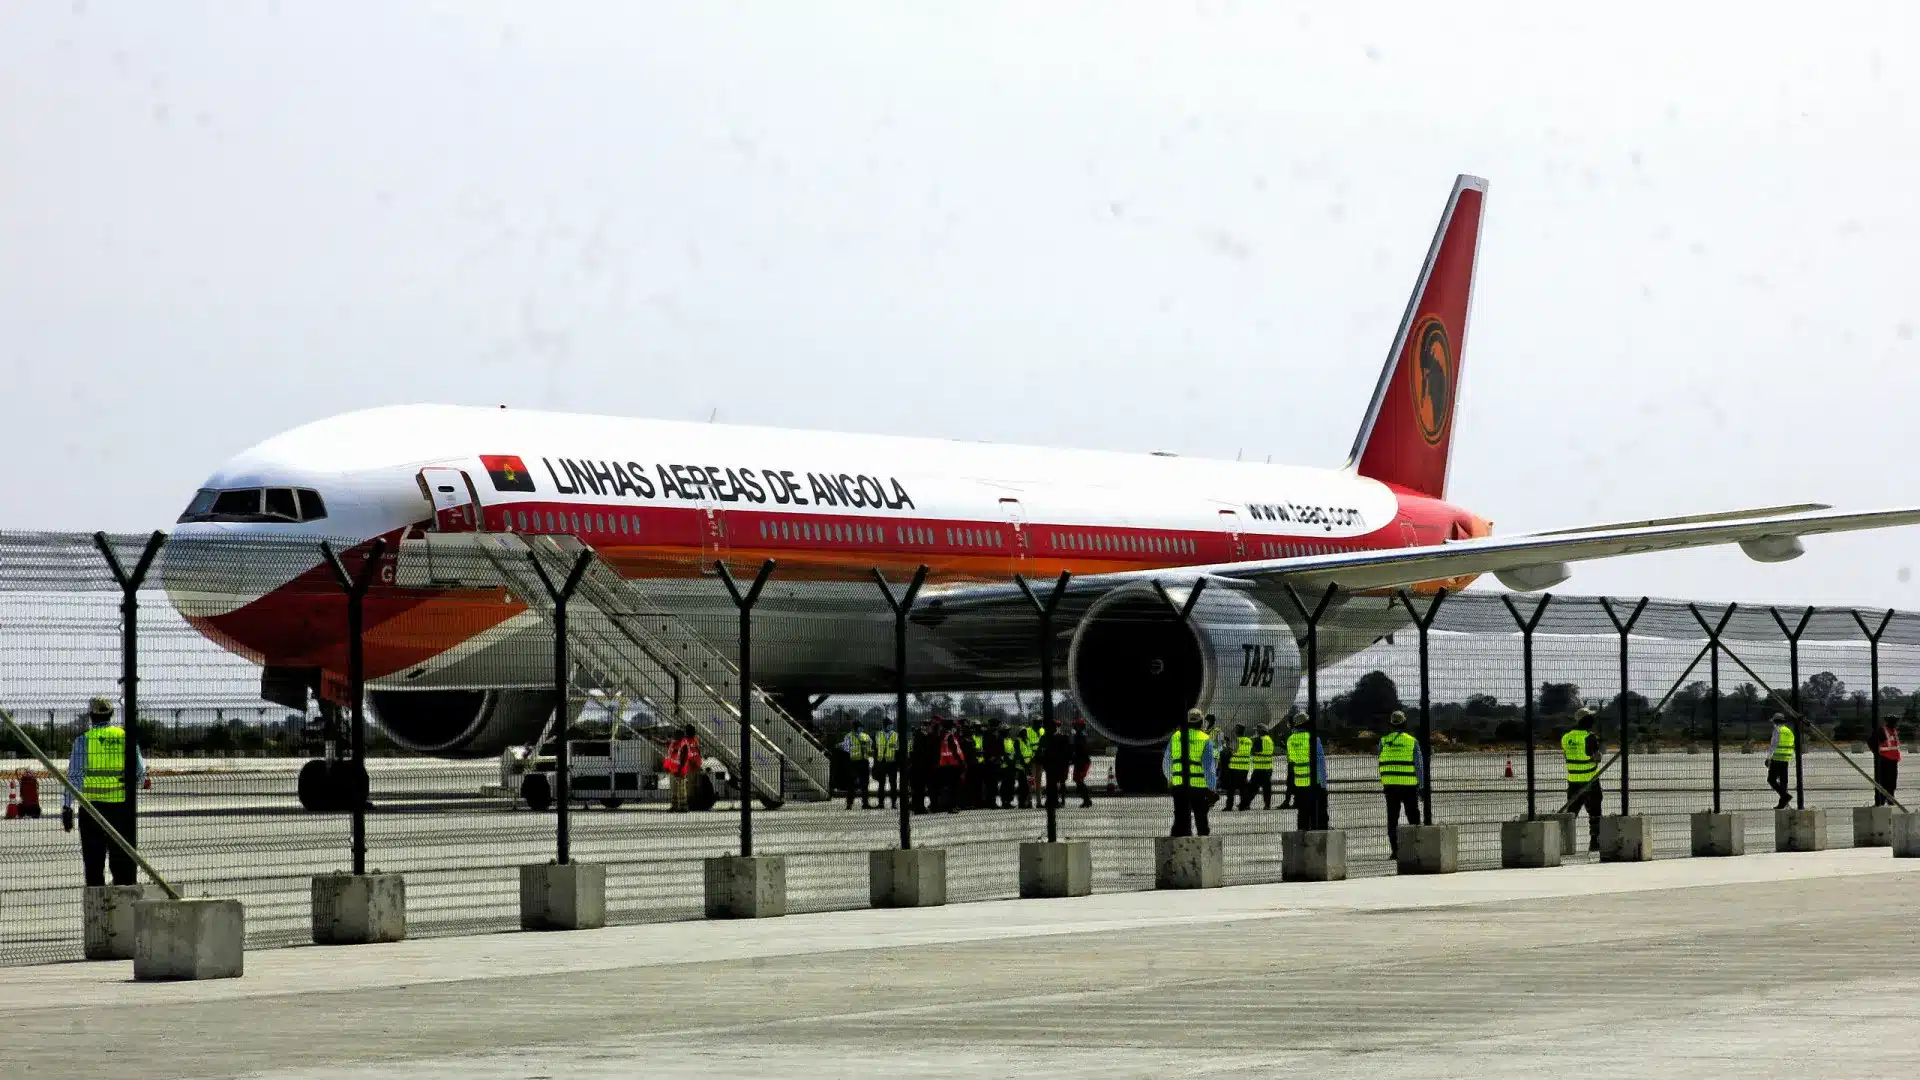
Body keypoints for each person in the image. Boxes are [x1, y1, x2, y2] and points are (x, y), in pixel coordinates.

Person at [62, 696, 146, 888]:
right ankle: (122, 907)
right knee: (122, 863)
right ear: (111, 714)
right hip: (121, 808)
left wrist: (67, 806)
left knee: (93, 865)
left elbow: (74, 777)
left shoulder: (83, 741)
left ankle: (97, 910)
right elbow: (140, 773)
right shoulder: (125, 737)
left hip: (92, 809)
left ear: (91, 715)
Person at [1163, 708, 1217, 837]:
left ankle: (1176, 850)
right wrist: (1212, 789)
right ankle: (1203, 850)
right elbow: (1208, 767)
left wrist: (1171, 779)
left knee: (1180, 820)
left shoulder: (1176, 736)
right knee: (1201, 820)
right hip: (1198, 787)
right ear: (1201, 722)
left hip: (1179, 786)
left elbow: (1167, 762)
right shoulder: (1205, 738)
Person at [1378, 710, 1425, 858]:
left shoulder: (1383, 741)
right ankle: (1416, 848)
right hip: (1409, 785)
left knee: (1392, 819)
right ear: (1405, 723)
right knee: (1413, 816)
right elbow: (1419, 766)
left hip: (1390, 786)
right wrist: (1422, 786)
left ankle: (1395, 851)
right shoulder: (1411, 741)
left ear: (1390, 724)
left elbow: (1380, 760)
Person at [1562, 707, 1602, 851]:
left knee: (1572, 813)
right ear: (1586, 720)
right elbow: (1597, 758)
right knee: (1595, 812)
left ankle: (1563, 843)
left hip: (1573, 780)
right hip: (1590, 780)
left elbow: (1567, 756)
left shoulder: (1566, 737)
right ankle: (1595, 841)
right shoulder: (1589, 737)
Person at [1286, 713, 1328, 831]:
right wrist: (1323, 784)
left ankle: (1302, 835)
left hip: (1299, 781)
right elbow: (1320, 762)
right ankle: (1319, 834)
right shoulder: (1313, 738)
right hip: (1314, 781)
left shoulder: (1290, 740)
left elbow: (1291, 761)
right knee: (1318, 812)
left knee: (1302, 812)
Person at [662, 724, 703, 812]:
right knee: (677, 787)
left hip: (681, 769)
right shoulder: (687, 741)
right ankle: (677, 805)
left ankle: (683, 806)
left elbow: (684, 757)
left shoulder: (683, 743)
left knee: (681, 787)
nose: (674, 736)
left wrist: (680, 768)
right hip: (677, 768)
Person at [1867, 715, 1902, 806]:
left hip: (1893, 760)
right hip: (1884, 760)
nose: (1896, 724)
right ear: (1889, 722)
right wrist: (1877, 754)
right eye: (1894, 722)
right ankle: (1880, 801)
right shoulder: (1882, 730)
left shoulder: (1893, 731)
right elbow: (1871, 742)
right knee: (1883, 782)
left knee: (1892, 782)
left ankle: (1890, 799)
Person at [1241, 724, 1276, 811]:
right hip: (1268, 768)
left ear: (1262, 730)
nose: (1256, 731)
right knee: (1266, 788)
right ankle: (1267, 805)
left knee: (1252, 788)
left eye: (1258, 730)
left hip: (1259, 768)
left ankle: (1245, 804)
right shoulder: (1269, 740)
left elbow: (1253, 751)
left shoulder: (1259, 740)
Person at [840, 723, 874, 809]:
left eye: (862, 728)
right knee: (851, 784)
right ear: (855, 728)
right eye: (860, 728)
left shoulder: (865, 736)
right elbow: (846, 748)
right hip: (854, 762)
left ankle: (864, 803)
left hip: (862, 761)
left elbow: (870, 746)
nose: (861, 729)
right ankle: (850, 803)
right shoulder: (849, 736)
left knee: (864, 784)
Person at [937, 718, 967, 813]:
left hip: (946, 764)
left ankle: (952, 805)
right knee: (954, 787)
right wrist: (962, 762)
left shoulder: (943, 736)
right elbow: (956, 750)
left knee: (950, 787)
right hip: (953, 764)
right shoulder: (950, 737)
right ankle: (952, 806)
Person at [1766, 713, 1796, 809]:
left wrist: (1768, 758)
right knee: (1783, 782)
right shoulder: (1788, 731)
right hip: (1786, 759)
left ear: (1775, 721)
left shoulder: (1777, 730)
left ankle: (1785, 796)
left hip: (1777, 758)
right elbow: (1792, 745)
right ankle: (1782, 803)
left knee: (1771, 780)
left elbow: (1773, 745)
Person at [1040, 718, 1070, 810]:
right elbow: (1043, 751)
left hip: (1058, 764)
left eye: (1057, 726)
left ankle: (1058, 800)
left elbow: (1066, 751)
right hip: (1053, 764)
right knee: (1053, 783)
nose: (1056, 728)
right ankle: (1054, 801)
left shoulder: (1061, 737)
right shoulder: (1048, 737)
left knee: (1058, 782)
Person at [1219, 724, 1250, 812]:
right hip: (1244, 767)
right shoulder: (1248, 741)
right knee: (1242, 788)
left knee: (1230, 789)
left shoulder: (1235, 741)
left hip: (1235, 768)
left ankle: (1229, 806)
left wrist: (1225, 743)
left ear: (1236, 731)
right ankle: (1244, 806)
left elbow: (1229, 751)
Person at [874, 721, 900, 809]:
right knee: (881, 784)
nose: (891, 726)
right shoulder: (879, 734)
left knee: (893, 784)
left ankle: (894, 803)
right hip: (882, 761)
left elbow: (898, 749)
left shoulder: (895, 735)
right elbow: (876, 748)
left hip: (892, 762)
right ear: (885, 726)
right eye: (889, 725)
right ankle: (881, 803)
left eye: (891, 725)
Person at [1069, 718, 1095, 808]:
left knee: (1079, 780)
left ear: (1080, 726)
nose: (1074, 727)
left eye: (1076, 725)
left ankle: (1087, 800)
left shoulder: (1082, 736)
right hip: (1079, 761)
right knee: (1077, 780)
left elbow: (1082, 750)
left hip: (1083, 762)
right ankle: (1086, 800)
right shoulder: (1078, 735)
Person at [997, 723, 1023, 808]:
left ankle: (1008, 801)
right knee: (1005, 783)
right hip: (1005, 764)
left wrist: (1012, 760)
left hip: (1011, 764)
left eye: (1008, 730)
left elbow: (1012, 751)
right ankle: (1005, 801)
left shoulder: (1009, 739)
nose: (1008, 731)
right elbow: (1001, 752)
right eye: (1007, 730)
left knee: (1011, 783)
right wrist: (1007, 759)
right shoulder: (1000, 739)